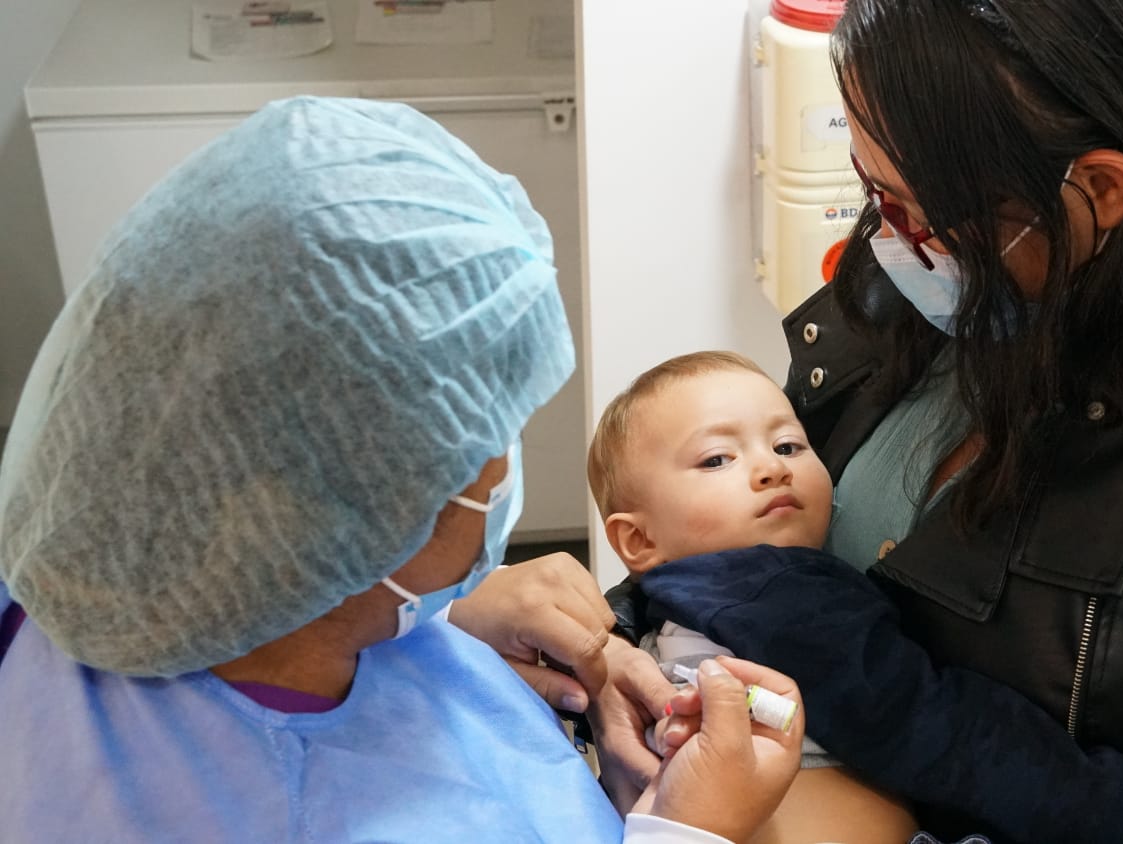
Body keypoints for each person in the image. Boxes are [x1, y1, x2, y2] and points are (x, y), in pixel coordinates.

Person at [596, 0, 1123, 841]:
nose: (889, 235)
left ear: (1098, 186)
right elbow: (746, 563)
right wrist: (615, 654)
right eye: (873, 187)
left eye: (921, 211)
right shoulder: (920, 278)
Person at [0, 96, 805, 844]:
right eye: (487, 432)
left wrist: (445, 613)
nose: (502, 469)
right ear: (356, 531)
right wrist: (693, 830)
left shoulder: (71, 582)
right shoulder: (300, 811)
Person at [590, 350, 1123, 844]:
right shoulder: (775, 599)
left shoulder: (675, 606)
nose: (771, 468)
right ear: (638, 539)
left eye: (788, 445)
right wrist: (1109, 805)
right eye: (718, 459)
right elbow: (935, 725)